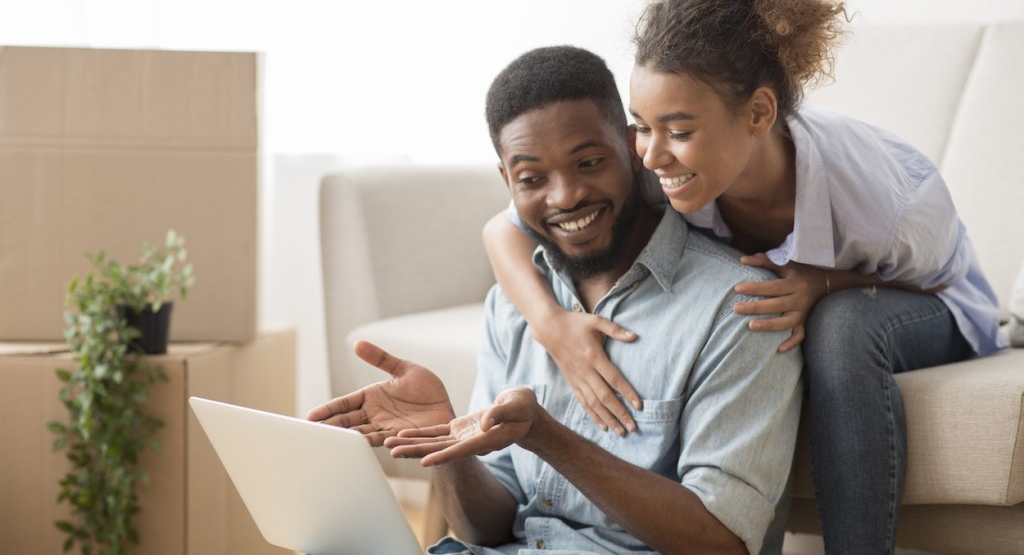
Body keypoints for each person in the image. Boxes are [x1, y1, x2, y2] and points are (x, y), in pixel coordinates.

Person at [482, 0, 1005, 555]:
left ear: (759, 115)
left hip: (936, 307)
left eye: (676, 130)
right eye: (642, 129)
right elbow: (506, 228)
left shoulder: (889, 200)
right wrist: (553, 325)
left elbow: (934, 282)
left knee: (838, 326)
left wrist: (824, 282)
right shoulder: (661, 165)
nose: (649, 153)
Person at [309, 45, 803, 554]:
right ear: (507, 182)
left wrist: (545, 436)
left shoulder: (740, 306)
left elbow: (723, 544)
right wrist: (448, 441)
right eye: (532, 179)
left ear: (634, 149)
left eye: (589, 162)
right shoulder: (511, 305)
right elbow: (486, 530)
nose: (565, 196)